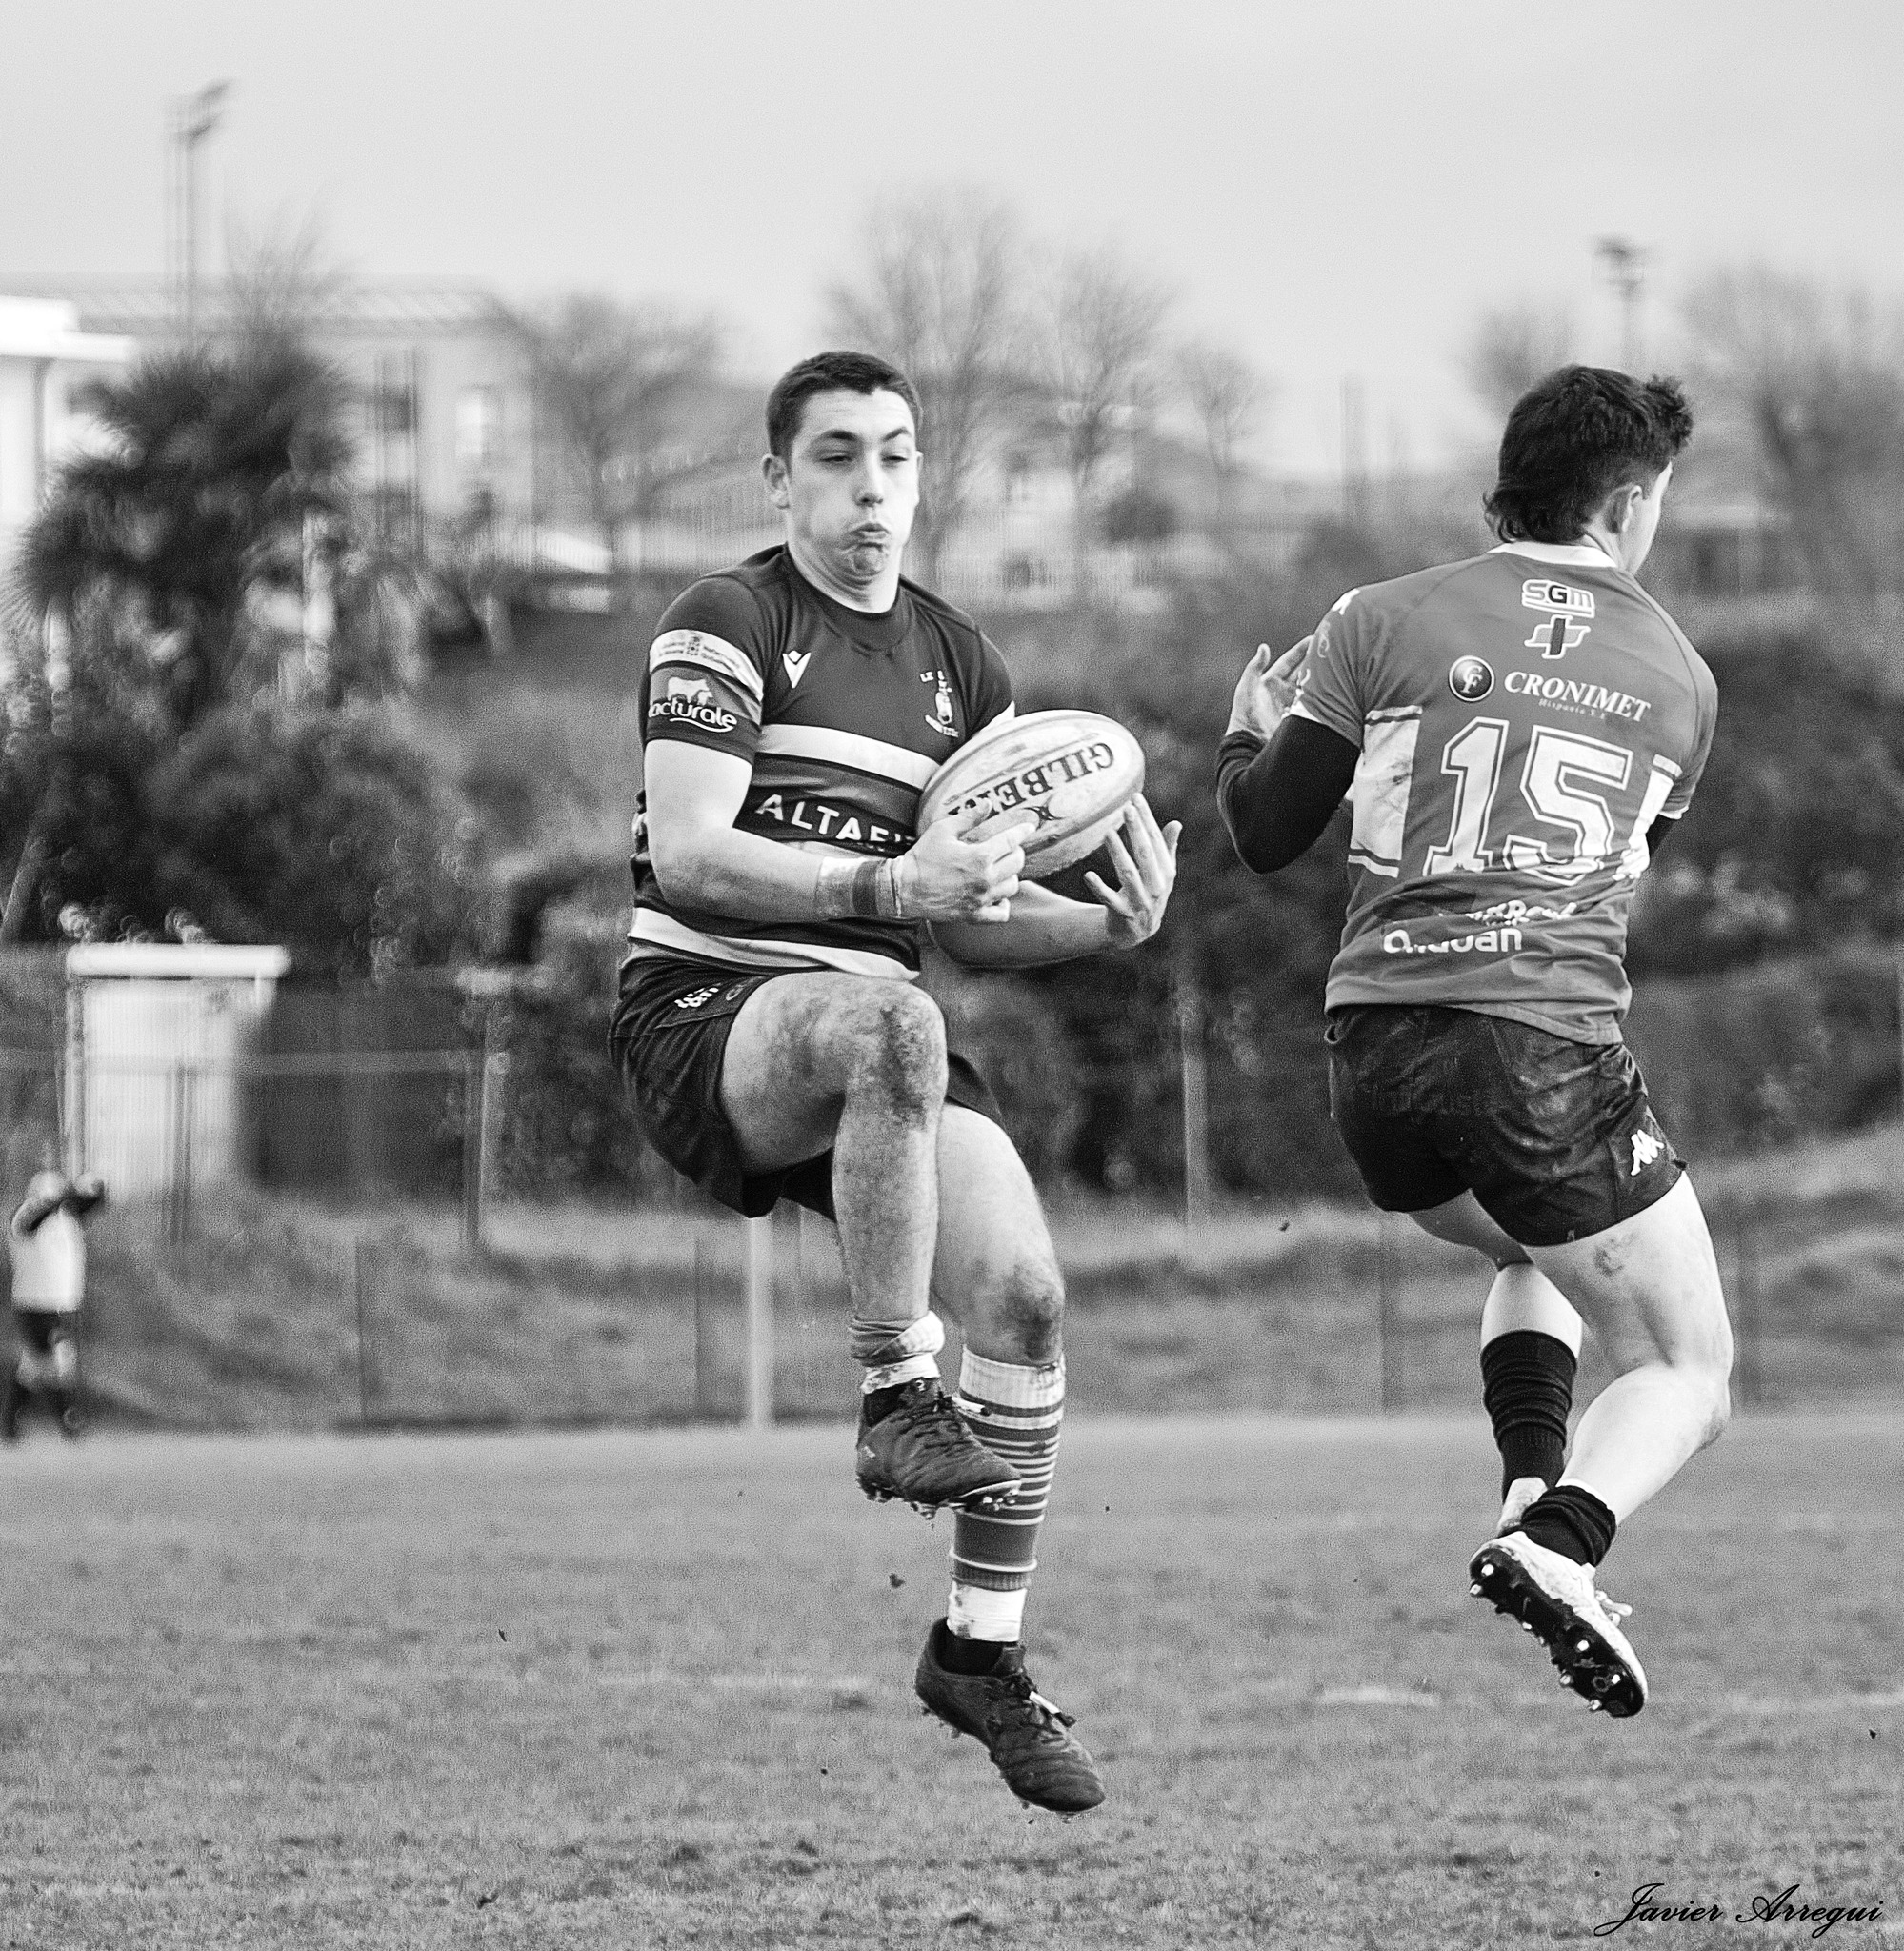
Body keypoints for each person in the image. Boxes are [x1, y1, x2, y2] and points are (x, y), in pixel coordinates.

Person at [611, 350, 1179, 1808]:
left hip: (886, 1050)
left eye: (896, 456)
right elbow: (687, 852)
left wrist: (1103, 925)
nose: (872, 486)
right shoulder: (724, 623)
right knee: (892, 1028)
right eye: (837, 456)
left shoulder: (957, 665)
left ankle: (977, 1653)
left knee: (1031, 1304)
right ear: (778, 477)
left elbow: (972, 919)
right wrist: (883, 889)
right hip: (705, 1009)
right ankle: (890, 1391)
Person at [1215, 365, 1732, 1718]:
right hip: (1537, 1048)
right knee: (1686, 1368)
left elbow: (1262, 833)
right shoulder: (1679, 677)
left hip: (1373, 1058)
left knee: (1529, 1244)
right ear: (1623, 503)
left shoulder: (1374, 618)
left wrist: (1240, 737)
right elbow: (1610, 880)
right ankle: (1560, 1546)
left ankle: (1526, 1483)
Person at [4, 1145, 107, 1442]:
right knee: (61, 1357)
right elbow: (39, 1214)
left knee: (33, 1367)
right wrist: (63, 1193)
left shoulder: (66, 1219)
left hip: (62, 1304)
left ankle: (9, 1423)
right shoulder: (24, 1217)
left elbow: (92, 1203)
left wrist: (93, 1187)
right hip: (34, 1304)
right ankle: (70, 1421)